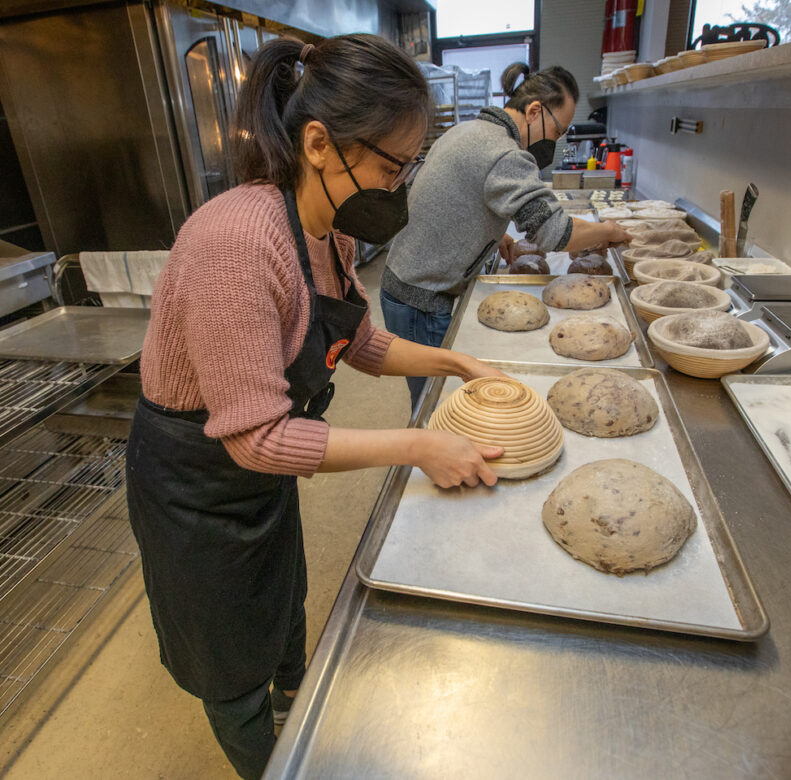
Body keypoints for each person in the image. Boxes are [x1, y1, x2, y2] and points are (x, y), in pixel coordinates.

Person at [125, 35, 505, 780]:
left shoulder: (322, 232)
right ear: (320, 144)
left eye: (410, 166)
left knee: (282, 599)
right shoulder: (237, 242)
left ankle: (294, 691)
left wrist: (455, 361)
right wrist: (417, 443)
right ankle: (271, 756)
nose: (400, 187)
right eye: (392, 165)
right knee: (227, 655)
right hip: (197, 486)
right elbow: (258, 439)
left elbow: (359, 341)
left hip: (257, 478)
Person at [380, 62, 632, 402]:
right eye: (557, 132)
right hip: (421, 300)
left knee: (438, 395)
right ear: (533, 111)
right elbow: (553, 233)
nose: (554, 143)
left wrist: (498, 235)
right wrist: (607, 231)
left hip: (404, 284)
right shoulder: (504, 153)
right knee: (437, 403)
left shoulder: (468, 131)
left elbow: (457, 197)